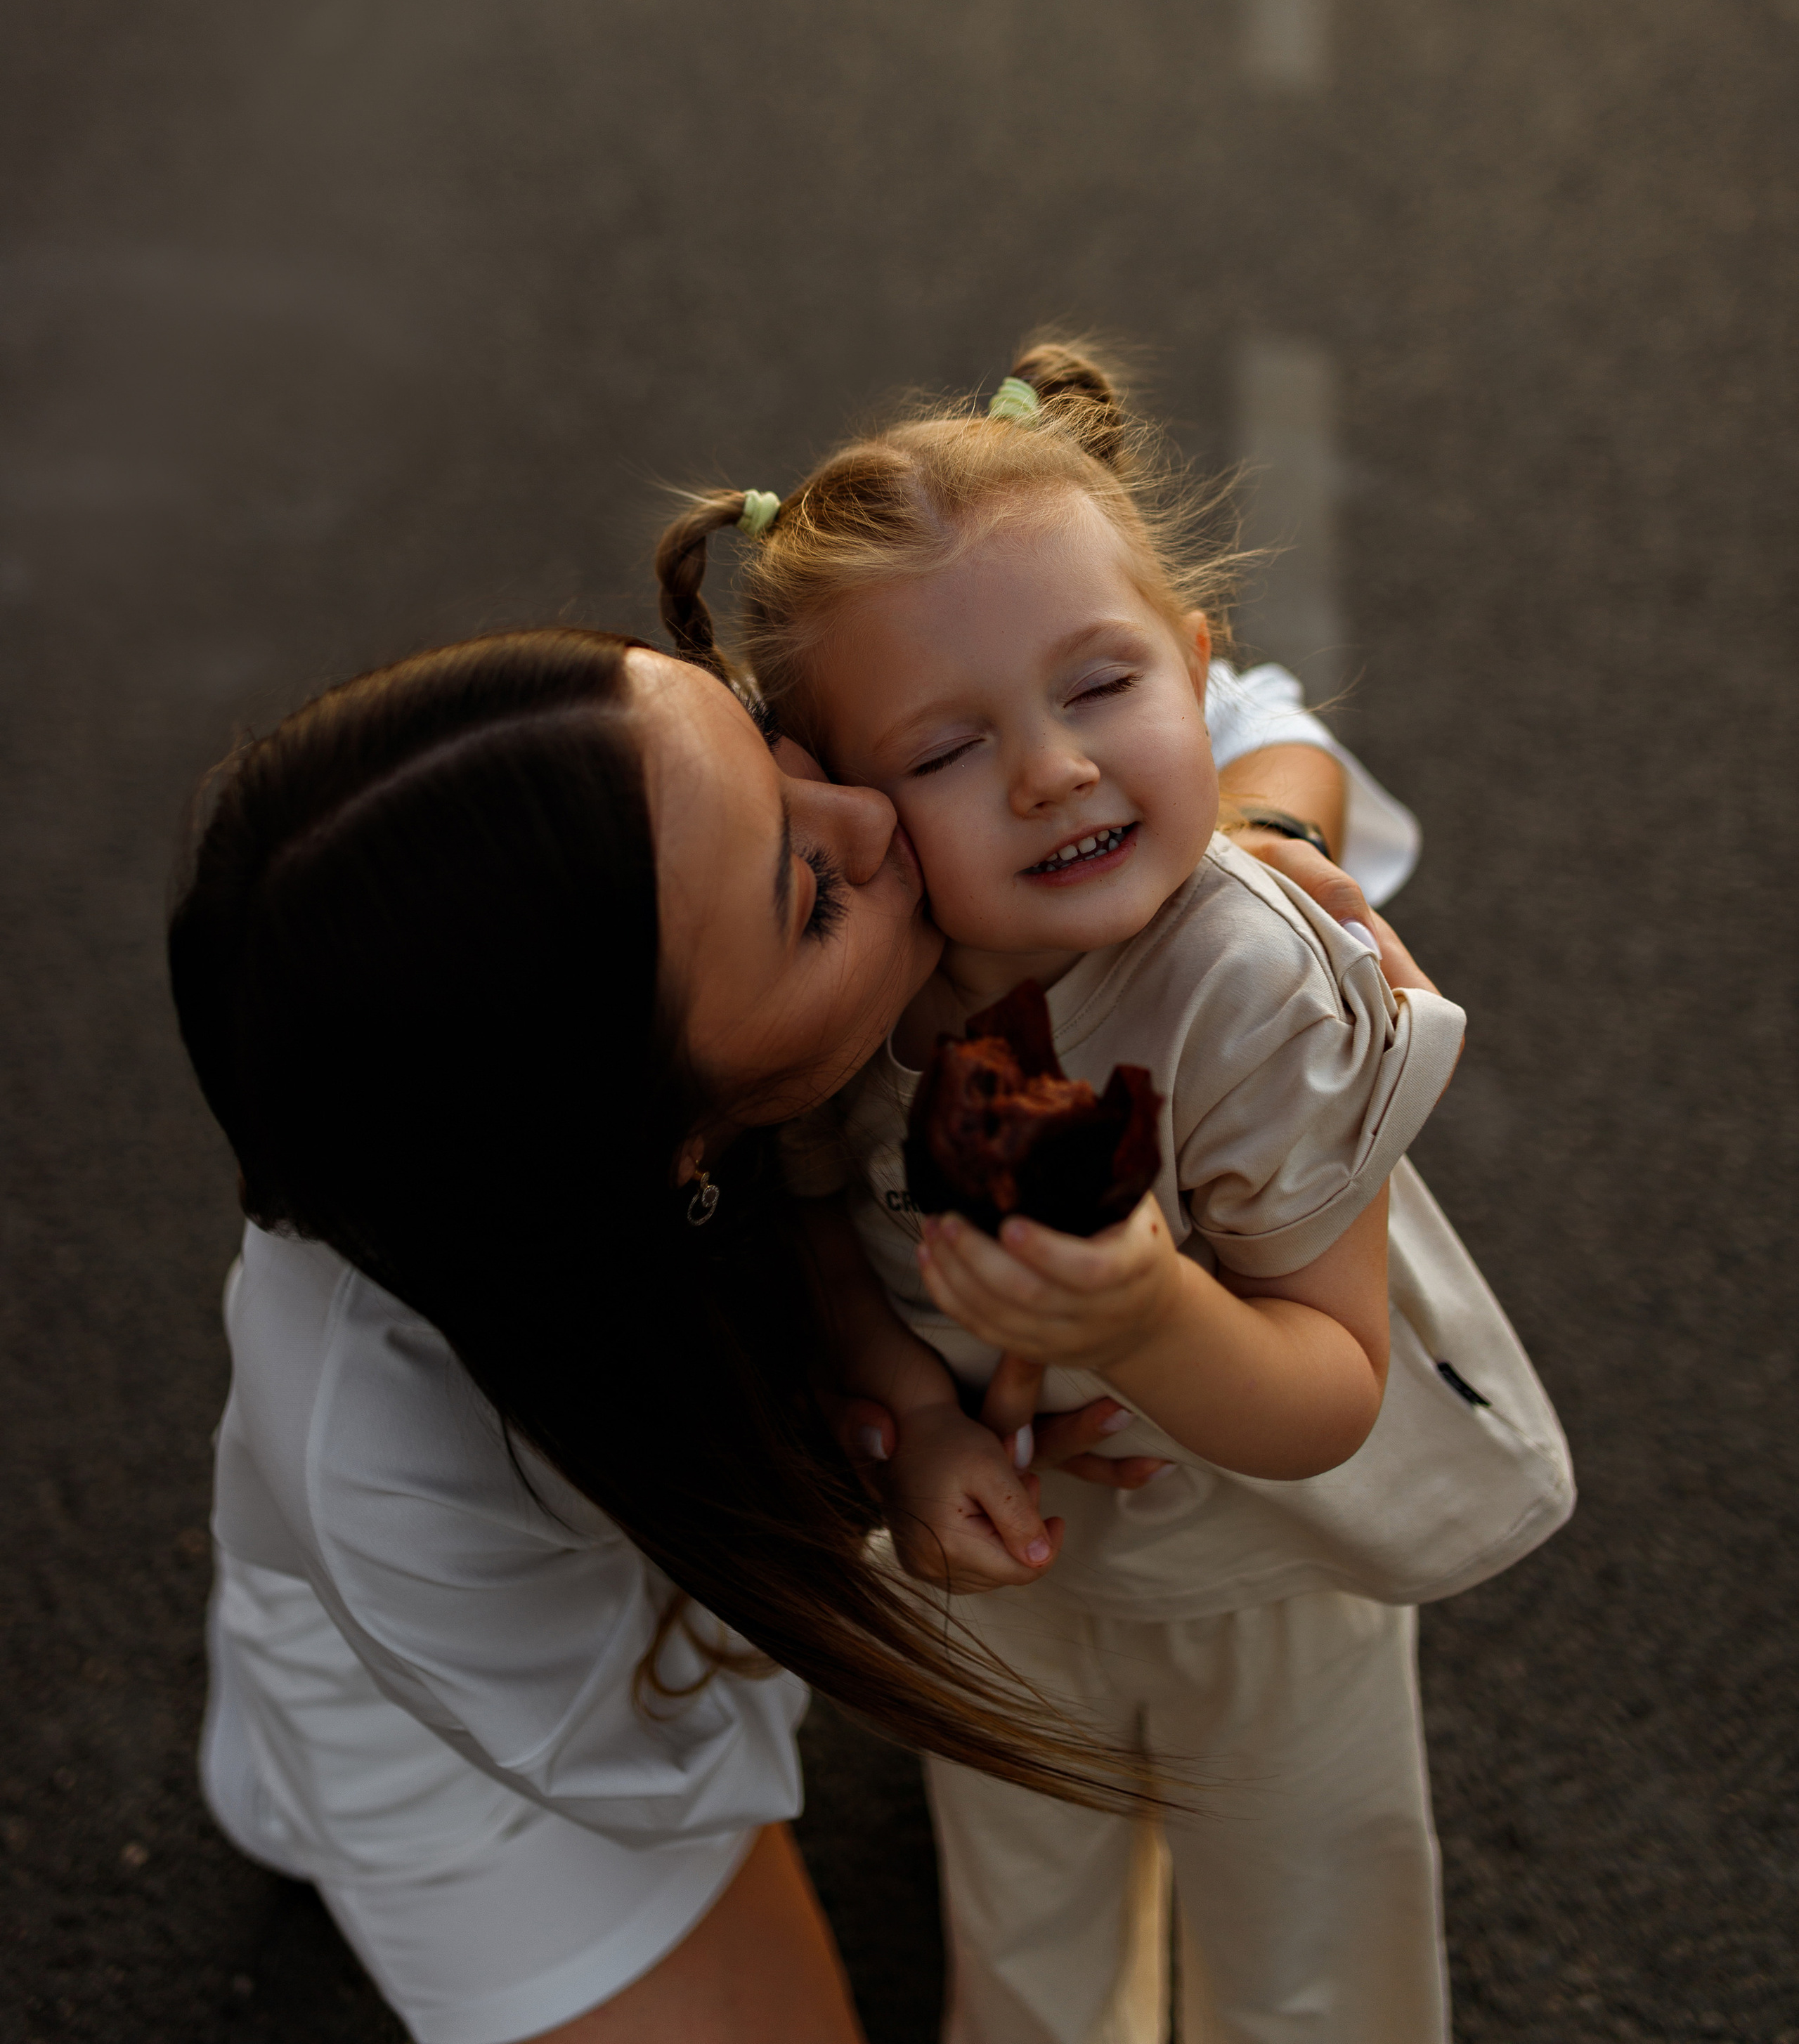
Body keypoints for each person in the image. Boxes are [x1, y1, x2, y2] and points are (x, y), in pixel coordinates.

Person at [171, 611, 1412, 2044]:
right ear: (670, 1145)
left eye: (772, 742)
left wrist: (1240, 868)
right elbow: (632, 1755)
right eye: (811, 897)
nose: (879, 812)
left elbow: (1192, 679)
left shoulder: (652, 792)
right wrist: (866, 1487)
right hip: (517, 1717)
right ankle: (297, 1733)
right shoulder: (399, 1457)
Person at [654, 340, 1574, 2044]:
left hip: (1260, 1577)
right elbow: (812, 1226)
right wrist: (917, 1433)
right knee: (1026, 1936)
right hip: (1007, 1578)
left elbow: (1325, 1398)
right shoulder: (860, 985)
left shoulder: (1254, 993)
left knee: (1306, 1948)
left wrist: (1146, 1311)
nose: (1053, 772)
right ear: (838, 796)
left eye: (1100, 689)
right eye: (947, 748)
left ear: (1192, 665)